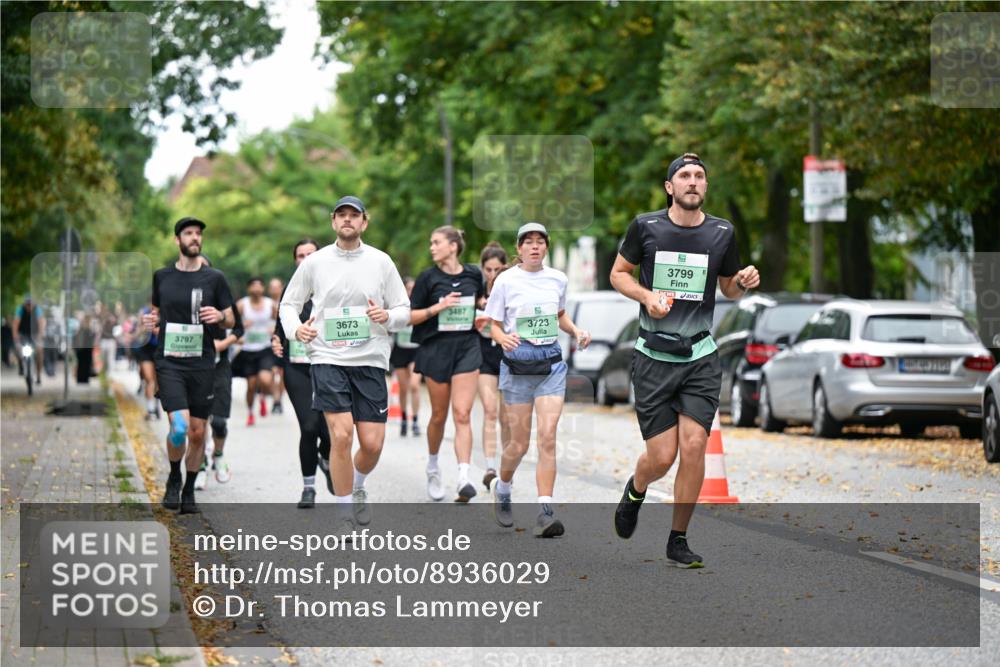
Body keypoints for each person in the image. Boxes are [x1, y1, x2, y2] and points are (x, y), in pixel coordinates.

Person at [610, 153, 759, 567]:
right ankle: (635, 490)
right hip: (654, 356)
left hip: (699, 356)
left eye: (699, 176)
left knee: (694, 446)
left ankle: (678, 537)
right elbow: (619, 274)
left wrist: (743, 281)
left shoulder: (722, 233)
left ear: (705, 187)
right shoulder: (646, 226)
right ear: (669, 187)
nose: (692, 181)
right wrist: (647, 296)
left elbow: (729, 288)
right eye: (684, 176)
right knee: (661, 457)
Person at [279, 196, 409, 533]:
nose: (347, 220)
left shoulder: (381, 262)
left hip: (369, 359)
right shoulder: (315, 262)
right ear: (333, 222)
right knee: (341, 435)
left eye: (354, 216)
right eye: (342, 216)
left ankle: (358, 483)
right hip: (327, 357)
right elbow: (288, 305)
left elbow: (404, 309)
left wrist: (388, 316)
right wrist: (296, 329)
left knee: (372, 444)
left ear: (364, 222)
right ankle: (343, 513)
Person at [485, 223, 591, 537]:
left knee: (547, 436)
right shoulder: (506, 280)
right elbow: (492, 324)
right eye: (528, 242)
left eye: (539, 242)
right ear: (518, 249)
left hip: (550, 365)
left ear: (545, 247)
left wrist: (576, 331)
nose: (534, 247)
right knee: (517, 444)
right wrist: (502, 338)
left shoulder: (558, 278)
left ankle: (545, 511)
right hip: (517, 367)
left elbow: (560, 315)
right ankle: (503, 487)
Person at [142, 217, 235, 514]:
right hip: (170, 361)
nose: (195, 238)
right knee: (179, 425)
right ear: (177, 240)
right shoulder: (162, 276)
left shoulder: (215, 278)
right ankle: (173, 474)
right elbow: (156, 311)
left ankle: (188, 488)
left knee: (198, 432)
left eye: (198, 234)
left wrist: (219, 317)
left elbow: (232, 319)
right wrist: (152, 320)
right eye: (188, 233)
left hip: (203, 363)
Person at [409, 226, 485, 502]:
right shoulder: (428, 278)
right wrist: (437, 308)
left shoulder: (473, 274)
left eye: (436, 242)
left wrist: (483, 310)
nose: (432, 247)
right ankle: (432, 466)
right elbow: (410, 316)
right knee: (439, 415)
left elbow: (481, 302)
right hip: (436, 349)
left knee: (462, 413)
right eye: (431, 242)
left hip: (467, 346)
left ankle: (464, 476)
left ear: (453, 246)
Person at [271, 239, 334, 509]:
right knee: (309, 427)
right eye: (300, 255)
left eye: (311, 254)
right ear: (295, 261)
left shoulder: (335, 286)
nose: (306, 259)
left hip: (331, 367)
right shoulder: (291, 290)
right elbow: (280, 326)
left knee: (332, 433)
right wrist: (276, 339)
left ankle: (328, 460)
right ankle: (309, 488)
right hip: (297, 368)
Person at [195, 255, 241, 490]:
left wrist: (221, 345)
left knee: (219, 422)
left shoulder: (222, 298)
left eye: (204, 267)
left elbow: (239, 329)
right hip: (195, 368)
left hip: (220, 367)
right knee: (199, 423)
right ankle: (201, 466)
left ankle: (219, 455)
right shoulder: (184, 299)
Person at [475, 241, 508, 490]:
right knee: (489, 410)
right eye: (488, 269)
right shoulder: (476, 291)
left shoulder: (510, 288)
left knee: (506, 417)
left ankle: (507, 469)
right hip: (483, 356)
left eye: (497, 269)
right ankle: (489, 467)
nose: (492, 274)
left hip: (507, 356)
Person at [233, 278, 277, 426]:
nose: (256, 289)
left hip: (265, 348)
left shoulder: (270, 305)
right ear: (249, 289)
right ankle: (251, 412)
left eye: (259, 286)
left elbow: (283, 320)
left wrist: (275, 330)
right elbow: (230, 322)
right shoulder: (242, 304)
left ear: (263, 289)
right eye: (253, 286)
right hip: (248, 350)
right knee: (251, 386)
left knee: (265, 380)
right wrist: (239, 329)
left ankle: (263, 396)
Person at [389, 277, 422, 437]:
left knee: (415, 386)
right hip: (400, 350)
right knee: (403, 388)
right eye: (408, 288)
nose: (411, 291)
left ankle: (415, 420)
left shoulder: (422, 305)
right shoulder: (398, 306)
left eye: (414, 288)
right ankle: (403, 419)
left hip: (416, 351)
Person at [135, 305, 160, 420]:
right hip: (145, 350)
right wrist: (144, 329)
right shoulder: (144, 312)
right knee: (149, 379)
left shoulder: (166, 310)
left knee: (157, 381)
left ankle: (156, 406)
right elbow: (138, 331)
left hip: (159, 350)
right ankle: (150, 410)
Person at [12, 296, 44, 383]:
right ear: (25, 304)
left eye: (30, 305)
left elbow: (41, 322)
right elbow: (15, 323)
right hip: (23, 334)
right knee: (18, 349)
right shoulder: (20, 309)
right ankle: (21, 366)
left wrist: (40, 335)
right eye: (27, 305)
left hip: (35, 334)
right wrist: (15, 336)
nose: (29, 307)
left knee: (39, 351)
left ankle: (38, 375)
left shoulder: (37, 310)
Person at [268, 276, 286, 415]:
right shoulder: (267, 304)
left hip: (283, 341)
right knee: (274, 372)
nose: (274, 289)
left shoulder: (288, 301)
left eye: (277, 287)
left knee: (282, 373)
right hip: (269, 343)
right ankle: (276, 400)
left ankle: (279, 399)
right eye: (272, 287)